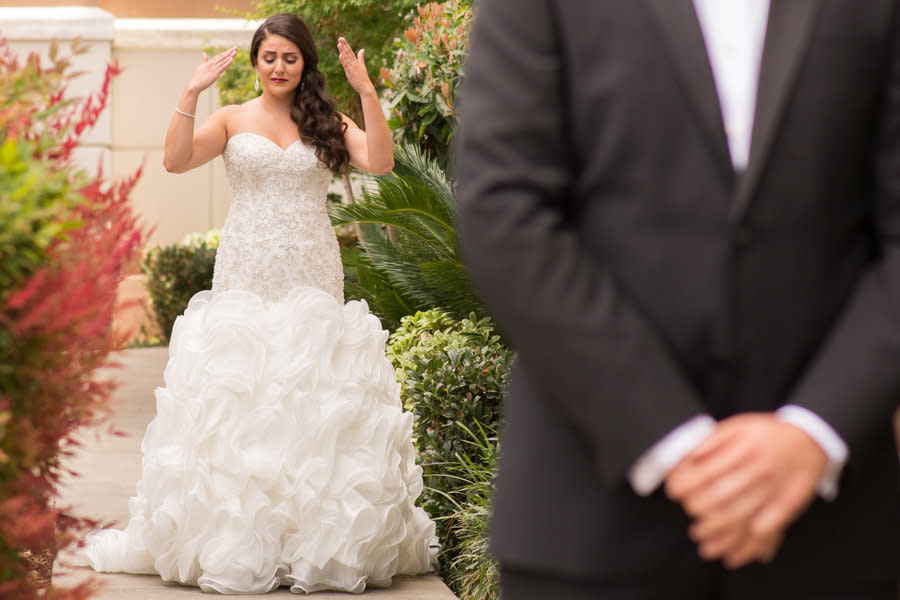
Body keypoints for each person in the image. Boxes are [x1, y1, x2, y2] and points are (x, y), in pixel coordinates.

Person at [455, 1, 900, 599]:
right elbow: (502, 213)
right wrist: (675, 442)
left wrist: (815, 431)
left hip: (832, 539)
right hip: (589, 531)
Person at [76, 13, 437, 594]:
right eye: (269, 56)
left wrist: (366, 90)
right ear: (254, 61)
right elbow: (174, 160)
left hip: (312, 270)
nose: (278, 67)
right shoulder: (229, 117)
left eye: (290, 58)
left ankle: (315, 542)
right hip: (245, 267)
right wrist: (191, 91)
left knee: (313, 392)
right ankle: (236, 541)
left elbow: (381, 161)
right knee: (241, 392)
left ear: (304, 64)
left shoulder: (324, 119)